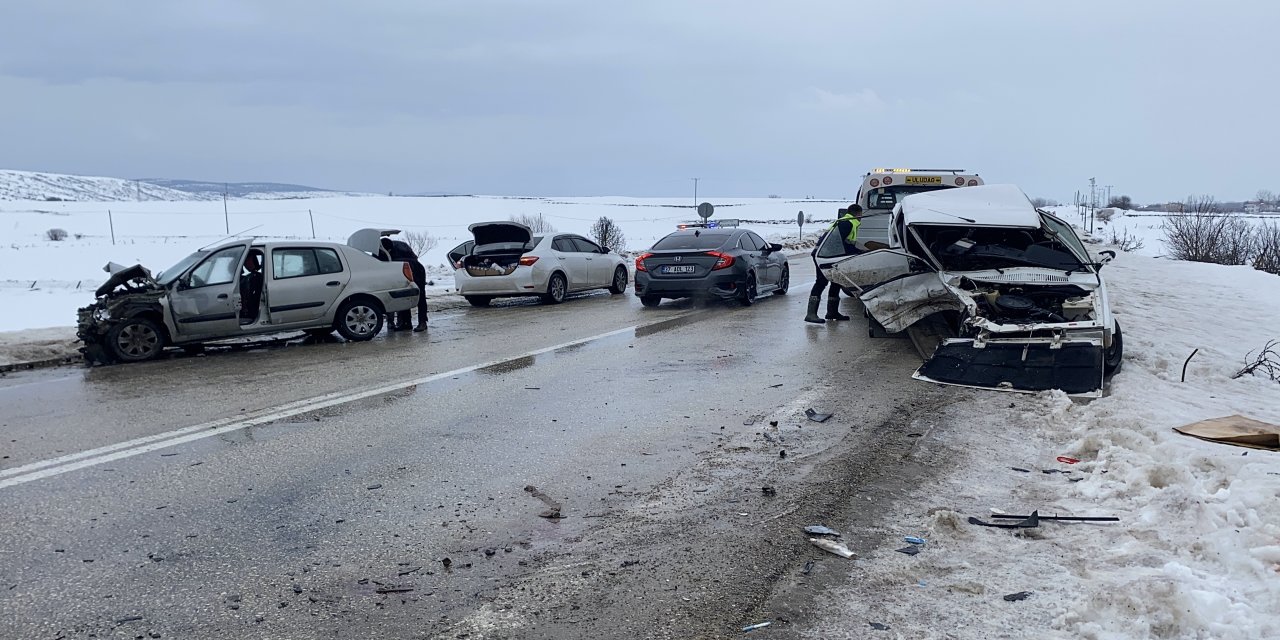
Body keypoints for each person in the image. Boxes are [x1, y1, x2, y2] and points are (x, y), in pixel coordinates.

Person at [805, 204, 862, 324]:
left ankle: (832, 312)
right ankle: (811, 314)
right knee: (821, 282)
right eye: (860, 214)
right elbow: (839, 242)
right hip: (824, 255)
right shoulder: (847, 223)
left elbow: (845, 242)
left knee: (836, 281)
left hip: (831, 254)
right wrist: (855, 252)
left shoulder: (846, 222)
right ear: (857, 213)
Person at [379, 236, 429, 332]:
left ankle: (423, 322)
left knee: (420, 295)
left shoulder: (401, 247)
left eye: (388, 251)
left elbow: (414, 259)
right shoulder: (379, 250)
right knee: (403, 295)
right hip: (399, 272)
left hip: (416, 270)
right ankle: (406, 323)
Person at [239, 250, 265, 325]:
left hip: (251, 312)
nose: (245, 264)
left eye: (247, 261)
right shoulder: (246, 278)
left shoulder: (257, 278)